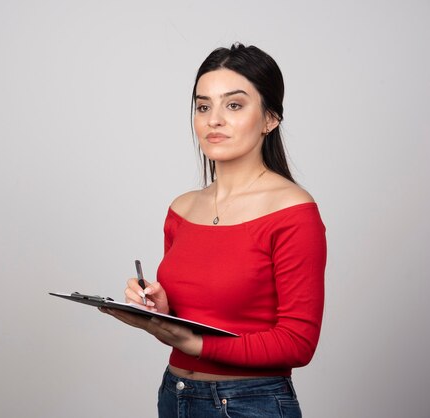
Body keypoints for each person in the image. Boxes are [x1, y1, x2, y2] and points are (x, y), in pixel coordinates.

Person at [100, 43, 326, 418]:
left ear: (270, 118)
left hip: (249, 403)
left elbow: (297, 343)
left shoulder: (292, 212)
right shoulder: (181, 209)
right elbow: (205, 310)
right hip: (175, 394)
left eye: (234, 105)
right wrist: (163, 310)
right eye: (203, 106)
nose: (213, 120)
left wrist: (196, 343)